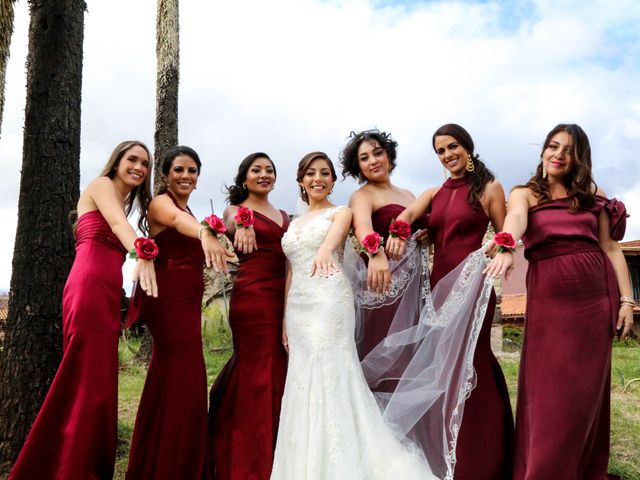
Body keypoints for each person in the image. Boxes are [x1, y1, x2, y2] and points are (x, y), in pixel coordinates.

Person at [272, 152, 435, 479]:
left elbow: (333, 241)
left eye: (325, 173)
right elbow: (291, 271)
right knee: (303, 377)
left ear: (333, 180)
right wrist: (285, 319)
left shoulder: (341, 212)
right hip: (300, 308)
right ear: (301, 182)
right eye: (311, 174)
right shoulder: (293, 223)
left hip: (330, 299)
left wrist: (322, 250)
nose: (318, 179)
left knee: (333, 372)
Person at [484, 123, 634, 479]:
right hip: (550, 299)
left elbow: (611, 248)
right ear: (542, 152)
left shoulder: (592, 197)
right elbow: (516, 218)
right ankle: (541, 469)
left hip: (595, 297)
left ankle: (578, 468)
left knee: (584, 394)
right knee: (549, 391)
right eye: (552, 146)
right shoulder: (524, 193)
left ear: (578, 158)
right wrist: (506, 244)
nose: (558, 154)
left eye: (568, 149)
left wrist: (626, 300)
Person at [9, 141, 158, 480]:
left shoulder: (121, 199)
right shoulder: (102, 186)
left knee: (99, 379)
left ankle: (86, 462)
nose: (138, 167)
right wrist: (143, 254)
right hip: (88, 286)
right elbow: (120, 227)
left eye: (144, 163)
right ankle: (71, 468)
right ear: (116, 161)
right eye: (132, 159)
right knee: (85, 376)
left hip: (106, 291)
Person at [387, 123, 513, 479]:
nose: (447, 155)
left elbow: (505, 235)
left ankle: (482, 453)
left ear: (467, 147)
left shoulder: (489, 188)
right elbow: (406, 216)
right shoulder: (434, 191)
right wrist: (401, 232)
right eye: (440, 151)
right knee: (444, 365)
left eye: (452, 146)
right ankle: (447, 447)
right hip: (439, 284)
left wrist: (504, 251)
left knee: (472, 361)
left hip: (473, 285)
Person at [125, 146, 233, 479]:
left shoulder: (188, 209)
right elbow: (176, 222)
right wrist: (205, 231)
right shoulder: (162, 204)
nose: (186, 176)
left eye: (192, 171)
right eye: (179, 170)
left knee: (181, 378)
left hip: (187, 303)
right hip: (166, 300)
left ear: (198, 178)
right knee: (184, 376)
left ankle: (173, 459)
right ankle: (172, 466)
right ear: (166, 175)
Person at [209, 152, 290, 480]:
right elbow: (225, 222)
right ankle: (250, 457)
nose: (264, 174)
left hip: (288, 298)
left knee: (282, 367)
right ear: (244, 178)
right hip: (254, 299)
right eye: (256, 170)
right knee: (258, 368)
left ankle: (281, 448)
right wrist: (242, 220)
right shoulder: (234, 211)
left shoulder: (284, 214)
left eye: (270, 170)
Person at [340, 129, 426, 361]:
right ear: (358, 167)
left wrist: (426, 234)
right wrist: (376, 254)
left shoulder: (408, 194)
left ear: (388, 155)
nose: (373, 161)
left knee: (413, 348)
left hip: (414, 282)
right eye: (364, 158)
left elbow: (418, 225)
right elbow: (362, 227)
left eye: (377, 153)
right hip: (383, 282)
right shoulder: (362, 195)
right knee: (385, 346)